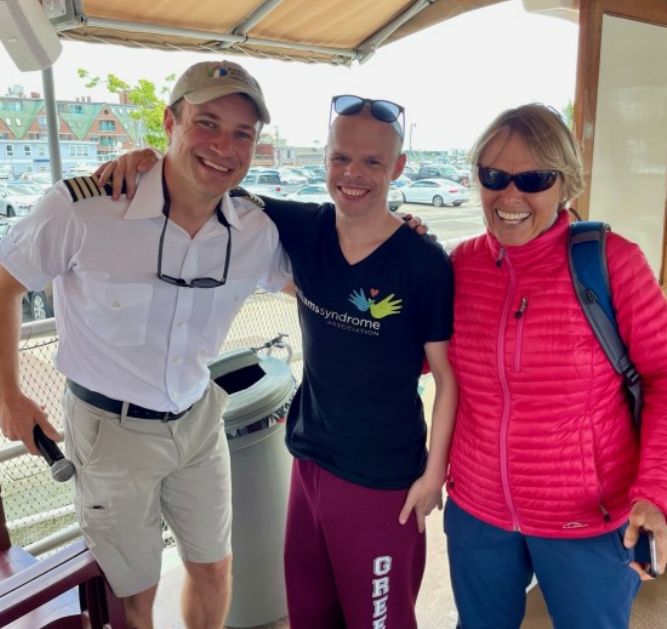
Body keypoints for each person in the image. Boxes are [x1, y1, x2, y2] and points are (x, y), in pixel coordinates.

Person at [99, 94, 458, 629]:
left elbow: (447, 379)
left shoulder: (423, 261)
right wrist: (150, 158)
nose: (353, 174)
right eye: (341, 158)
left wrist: (434, 475)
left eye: (372, 161)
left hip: (383, 478)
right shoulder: (302, 226)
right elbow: (209, 181)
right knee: (310, 613)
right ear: (325, 158)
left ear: (399, 166)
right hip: (309, 462)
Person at [0, 59, 294, 629]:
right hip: (109, 432)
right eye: (207, 123)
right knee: (135, 594)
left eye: (242, 133)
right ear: (170, 123)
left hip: (199, 419)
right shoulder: (85, 208)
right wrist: (7, 395)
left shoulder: (257, 230)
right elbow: (1, 284)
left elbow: (328, 276)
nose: (224, 147)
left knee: (215, 567)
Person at [444, 103, 667, 629]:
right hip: (478, 511)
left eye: (534, 179)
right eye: (493, 177)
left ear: (565, 183)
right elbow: (421, 362)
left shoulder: (611, 262)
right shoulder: (459, 266)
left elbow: (662, 376)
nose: (510, 196)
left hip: (588, 521)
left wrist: (655, 492)